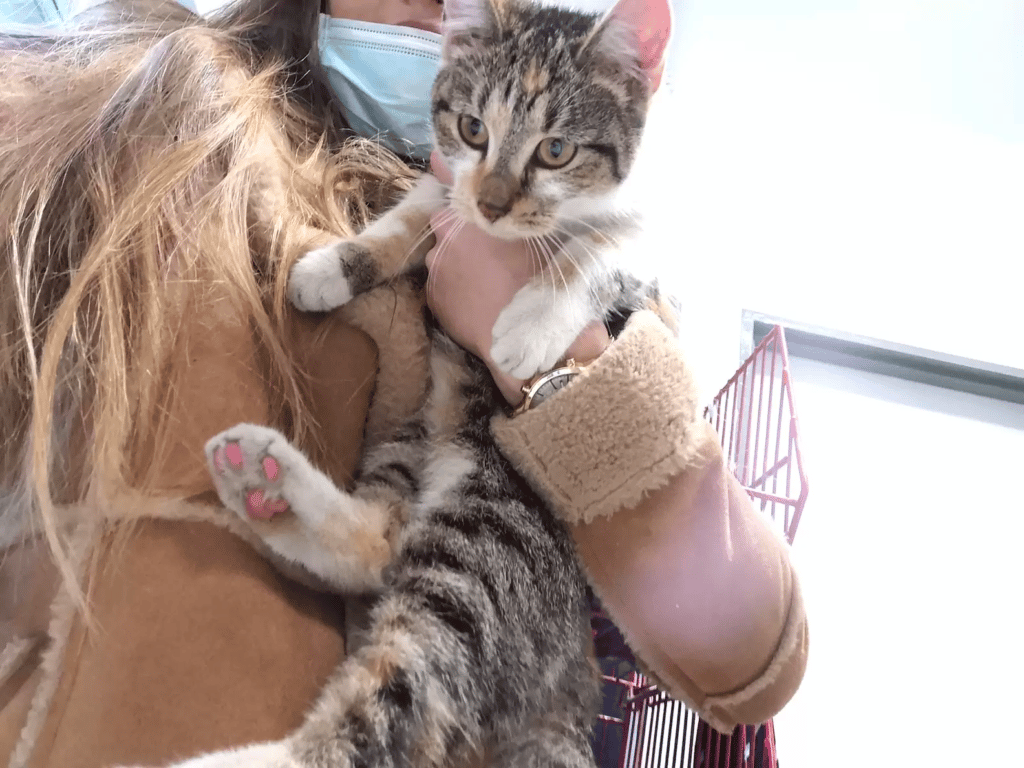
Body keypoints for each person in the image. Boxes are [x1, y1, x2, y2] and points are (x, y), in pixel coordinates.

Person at [0, 1, 808, 767]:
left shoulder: (591, 270)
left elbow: (756, 658)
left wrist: (559, 369)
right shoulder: (142, 100)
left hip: (464, 656)